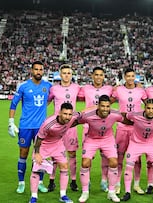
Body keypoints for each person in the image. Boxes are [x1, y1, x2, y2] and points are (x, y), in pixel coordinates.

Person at [8, 60, 51, 194]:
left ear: (43, 71)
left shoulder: (48, 86)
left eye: (41, 69)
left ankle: (40, 182)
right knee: (23, 154)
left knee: (40, 154)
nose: (38, 72)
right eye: (36, 69)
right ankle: (21, 183)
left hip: (41, 128)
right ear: (31, 71)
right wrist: (11, 122)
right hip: (25, 126)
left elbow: (55, 98)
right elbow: (13, 104)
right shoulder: (23, 86)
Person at [77, 95, 124, 203]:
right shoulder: (88, 116)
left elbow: (125, 119)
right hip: (91, 139)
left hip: (107, 139)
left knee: (114, 162)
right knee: (85, 163)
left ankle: (111, 192)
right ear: (98, 106)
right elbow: (76, 121)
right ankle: (85, 192)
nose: (105, 109)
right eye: (102, 106)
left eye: (107, 106)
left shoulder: (115, 114)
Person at [29, 102, 78, 203]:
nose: (67, 117)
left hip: (58, 144)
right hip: (44, 145)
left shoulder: (72, 118)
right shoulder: (48, 124)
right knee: (36, 168)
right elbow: (39, 138)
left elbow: (83, 114)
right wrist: (37, 153)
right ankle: (34, 197)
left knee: (64, 166)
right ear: (60, 113)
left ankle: (63, 195)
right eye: (65, 114)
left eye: (69, 114)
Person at [121, 99, 153, 202]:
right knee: (129, 166)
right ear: (144, 108)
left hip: (151, 143)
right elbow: (125, 117)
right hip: (135, 143)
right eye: (148, 108)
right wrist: (133, 124)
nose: (151, 111)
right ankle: (127, 192)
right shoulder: (135, 115)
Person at [111, 68, 147, 195]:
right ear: (125, 77)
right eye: (128, 76)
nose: (131, 78)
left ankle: (136, 184)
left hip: (136, 128)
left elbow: (148, 105)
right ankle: (117, 184)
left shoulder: (140, 91)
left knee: (137, 158)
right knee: (119, 156)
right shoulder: (119, 90)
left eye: (133, 76)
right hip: (121, 127)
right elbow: (108, 101)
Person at [77, 66, 113, 192]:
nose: (98, 77)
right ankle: (88, 181)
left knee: (105, 156)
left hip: (104, 126)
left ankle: (104, 180)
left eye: (101, 75)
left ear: (104, 76)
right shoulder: (85, 88)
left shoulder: (109, 89)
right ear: (92, 76)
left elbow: (114, 98)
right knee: (88, 157)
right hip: (88, 126)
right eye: (96, 74)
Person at [47, 64, 81, 192]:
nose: (66, 75)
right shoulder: (54, 89)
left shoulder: (77, 88)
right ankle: (51, 180)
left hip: (71, 126)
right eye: (64, 73)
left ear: (71, 75)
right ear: (60, 75)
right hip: (56, 126)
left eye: (69, 73)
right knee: (54, 155)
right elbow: (47, 102)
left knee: (72, 154)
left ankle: (73, 180)